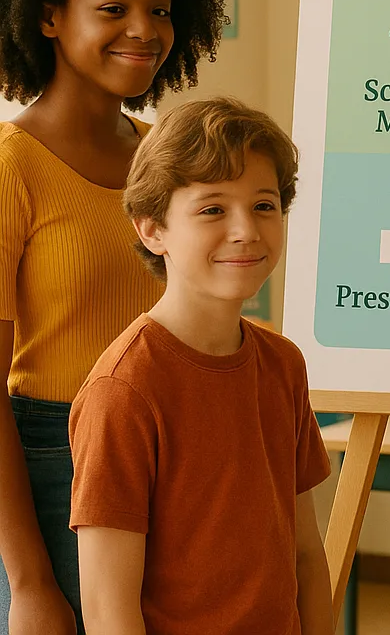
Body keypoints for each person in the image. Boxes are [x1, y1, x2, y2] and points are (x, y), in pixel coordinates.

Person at [0, 0, 223, 634]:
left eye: (160, 9)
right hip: (57, 462)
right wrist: (29, 582)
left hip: (181, 448)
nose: (145, 30)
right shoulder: (12, 168)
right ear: (47, 17)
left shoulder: (168, 158)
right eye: (114, 6)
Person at [69, 97, 333, 635]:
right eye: (212, 209)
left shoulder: (283, 364)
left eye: (264, 205)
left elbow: (306, 555)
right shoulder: (124, 390)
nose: (246, 230)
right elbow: (108, 612)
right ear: (152, 231)